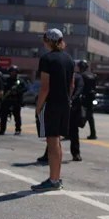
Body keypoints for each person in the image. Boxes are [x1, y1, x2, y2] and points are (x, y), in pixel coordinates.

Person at [32, 29, 75, 190]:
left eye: (44, 39)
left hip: (51, 104)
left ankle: (53, 180)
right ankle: (56, 178)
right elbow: (72, 85)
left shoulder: (47, 59)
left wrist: (38, 107)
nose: (43, 42)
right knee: (56, 141)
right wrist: (66, 99)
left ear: (49, 40)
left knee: (52, 142)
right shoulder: (69, 59)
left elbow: (45, 87)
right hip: (65, 103)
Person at [37, 65, 84, 163]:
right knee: (54, 132)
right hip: (60, 106)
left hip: (73, 108)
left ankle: (76, 154)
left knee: (73, 132)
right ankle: (48, 155)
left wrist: (71, 99)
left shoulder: (78, 77)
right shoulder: (61, 76)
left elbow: (79, 89)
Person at [0, 66, 27, 136]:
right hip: (6, 100)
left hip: (16, 101)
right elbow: (2, 88)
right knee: (3, 116)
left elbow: (25, 88)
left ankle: (18, 130)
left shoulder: (19, 81)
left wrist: (17, 91)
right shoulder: (6, 80)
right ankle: (2, 130)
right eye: (12, 72)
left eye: (15, 72)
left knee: (17, 116)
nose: (13, 73)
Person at [77, 60, 98, 140]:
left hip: (83, 98)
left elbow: (80, 87)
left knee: (77, 114)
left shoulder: (81, 75)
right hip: (91, 98)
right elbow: (95, 87)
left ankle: (71, 133)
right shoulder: (93, 75)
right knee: (90, 116)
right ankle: (93, 133)